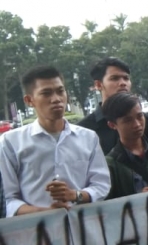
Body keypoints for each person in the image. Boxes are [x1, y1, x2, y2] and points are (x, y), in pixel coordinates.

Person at [0, 66, 110, 216]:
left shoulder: (88, 138)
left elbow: (101, 185)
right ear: (29, 100)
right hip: (34, 233)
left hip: (83, 229)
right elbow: (8, 199)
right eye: (46, 93)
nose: (56, 99)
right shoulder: (11, 142)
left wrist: (75, 195)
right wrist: (47, 214)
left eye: (60, 91)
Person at [79, 57, 148, 154]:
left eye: (126, 78)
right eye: (114, 78)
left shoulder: (144, 120)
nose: (123, 83)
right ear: (98, 85)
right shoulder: (84, 129)